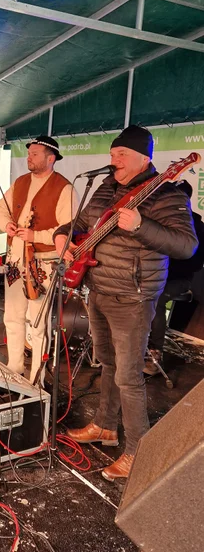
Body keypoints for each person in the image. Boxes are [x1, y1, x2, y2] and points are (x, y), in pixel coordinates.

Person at [54, 125, 197, 481]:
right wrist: (62, 238)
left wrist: (140, 226)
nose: (113, 159)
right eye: (113, 153)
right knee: (107, 364)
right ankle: (105, 425)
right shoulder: (105, 188)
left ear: (144, 159)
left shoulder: (166, 195)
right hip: (99, 289)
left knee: (130, 376)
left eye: (121, 155)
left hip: (133, 297)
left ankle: (139, 450)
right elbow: (80, 224)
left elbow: (186, 246)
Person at [0, 135, 74, 385]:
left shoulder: (65, 188)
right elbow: (1, 208)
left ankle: (36, 377)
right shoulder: (20, 182)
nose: (29, 157)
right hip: (15, 260)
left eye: (35, 153)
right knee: (12, 315)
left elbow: (69, 229)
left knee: (37, 322)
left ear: (51, 159)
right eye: (29, 153)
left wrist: (35, 235)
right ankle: (15, 365)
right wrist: (6, 224)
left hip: (44, 263)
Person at [145, 180, 204, 375]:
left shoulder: (197, 226)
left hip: (181, 279)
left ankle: (155, 353)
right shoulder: (158, 222)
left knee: (158, 297)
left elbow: (194, 263)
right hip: (156, 275)